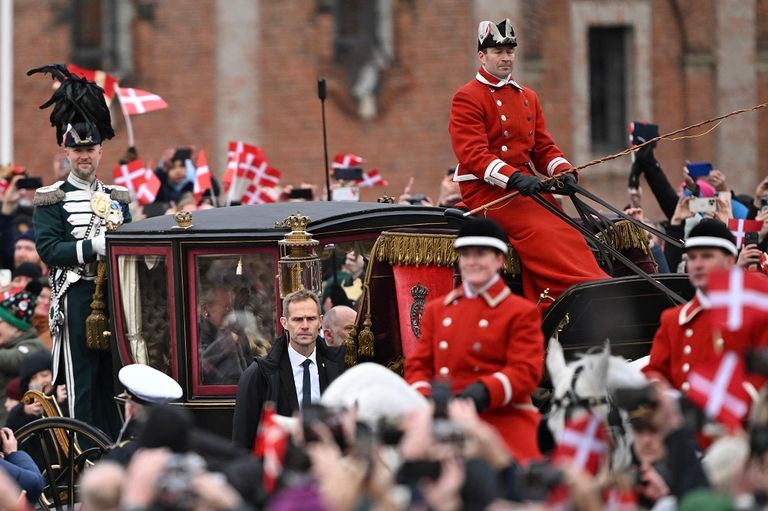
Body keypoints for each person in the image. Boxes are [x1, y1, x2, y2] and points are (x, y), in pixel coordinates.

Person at [449, 19, 608, 308]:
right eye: (498, 51)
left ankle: (567, 296)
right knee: (542, 231)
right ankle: (582, 292)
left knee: (567, 228)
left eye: (510, 50)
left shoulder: (527, 97)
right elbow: (472, 154)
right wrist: (512, 178)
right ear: (482, 56)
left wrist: (562, 172)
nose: (506, 57)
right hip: (488, 191)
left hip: (527, 187)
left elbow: (543, 147)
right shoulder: (467, 96)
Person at [30, 65, 131, 438]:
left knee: (116, 377)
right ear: (66, 151)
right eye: (77, 149)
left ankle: (114, 445)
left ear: (100, 150)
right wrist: (93, 246)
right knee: (83, 381)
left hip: (114, 295)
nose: (83, 156)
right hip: (76, 295)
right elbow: (49, 249)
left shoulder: (117, 196)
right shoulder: (51, 196)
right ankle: (83, 451)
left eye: (89, 149)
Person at [404, 217, 545, 462]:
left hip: (499, 417)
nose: (472, 261)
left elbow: (525, 371)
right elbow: (418, 365)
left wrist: (485, 391)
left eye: (481, 254)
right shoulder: (438, 309)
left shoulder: (519, 311)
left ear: (499, 260)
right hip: (444, 418)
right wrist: (427, 395)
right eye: (466, 254)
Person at [644, 219, 768, 391]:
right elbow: (654, 371)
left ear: (730, 261)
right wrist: (657, 389)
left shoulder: (757, 313)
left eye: (707, 256)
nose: (698, 264)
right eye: (692, 257)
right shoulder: (673, 319)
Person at [232, 289, 346, 450]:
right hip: (282, 465)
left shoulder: (339, 367)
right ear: (284, 323)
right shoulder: (258, 374)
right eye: (298, 319)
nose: (305, 326)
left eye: (311, 319)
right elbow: (242, 441)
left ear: (320, 321)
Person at [0, 289, 45, 426]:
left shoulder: (33, 346)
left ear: (16, 327)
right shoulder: (7, 345)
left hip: (15, 425)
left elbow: (12, 360)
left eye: (0, 322)